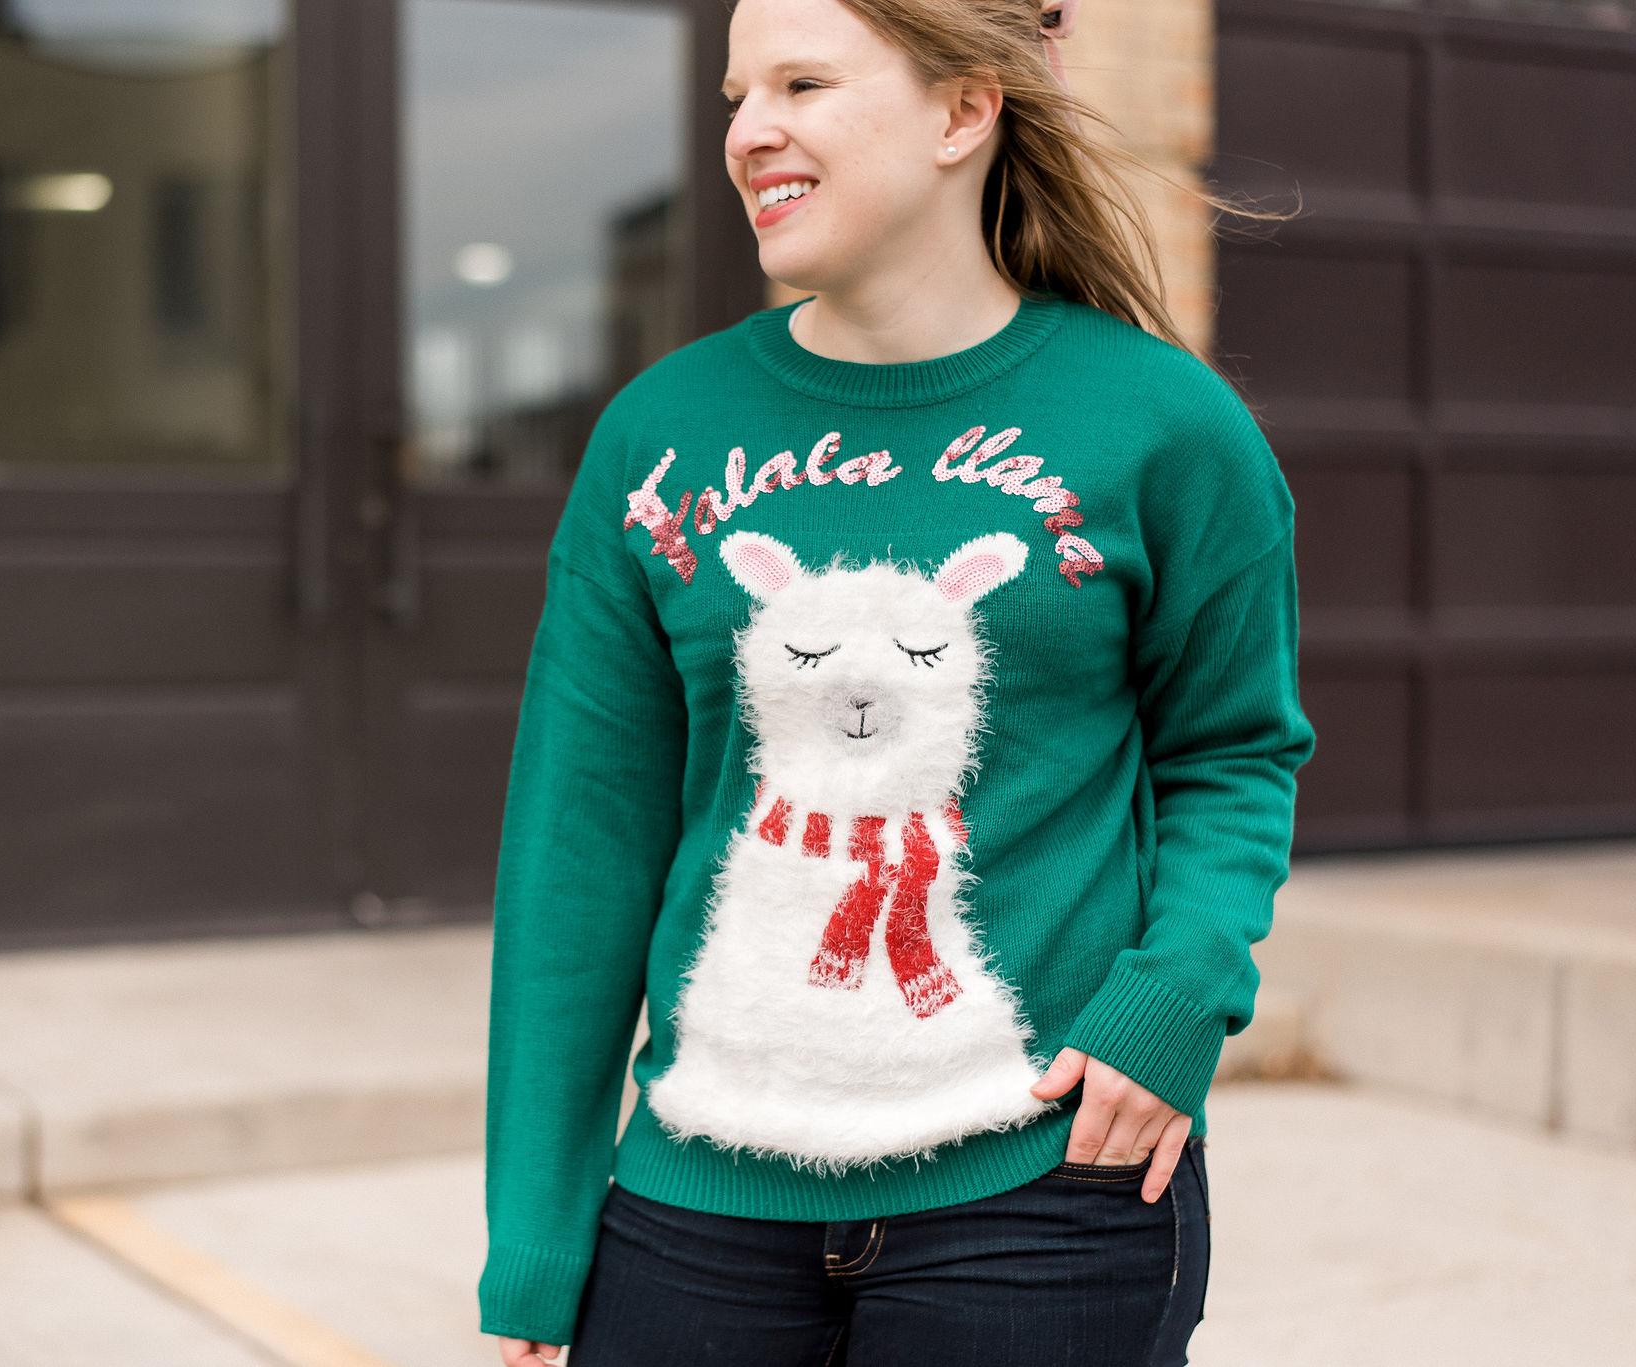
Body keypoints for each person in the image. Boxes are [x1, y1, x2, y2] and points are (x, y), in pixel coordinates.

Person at [483, 0, 1312, 1361]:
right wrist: (535, 1233)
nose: (751, 132)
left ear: (962, 110)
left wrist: (1173, 1006)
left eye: (803, 83)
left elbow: (1231, 749)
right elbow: (580, 850)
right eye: (739, 94)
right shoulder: (660, 437)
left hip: (1044, 1197)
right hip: (696, 1207)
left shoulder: (1166, 428)